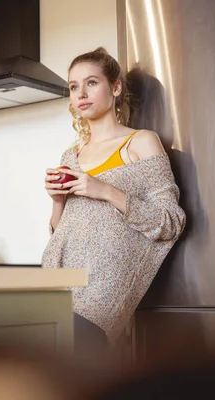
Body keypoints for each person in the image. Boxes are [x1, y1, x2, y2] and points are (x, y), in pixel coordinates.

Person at [41, 47, 186, 358]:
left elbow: (170, 221)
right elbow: (61, 233)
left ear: (116, 87)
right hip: (56, 282)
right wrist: (57, 201)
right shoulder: (71, 156)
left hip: (101, 292)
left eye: (91, 83)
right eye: (73, 86)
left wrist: (106, 190)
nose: (81, 93)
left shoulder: (141, 141)